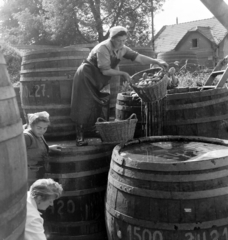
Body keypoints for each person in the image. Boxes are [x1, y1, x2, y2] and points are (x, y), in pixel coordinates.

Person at [70, 25, 168, 146]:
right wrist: (123, 73)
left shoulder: (123, 48)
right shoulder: (103, 48)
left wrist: (156, 61)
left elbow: (138, 58)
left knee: (103, 103)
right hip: (87, 76)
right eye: (119, 40)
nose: (122, 43)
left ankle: (101, 132)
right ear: (112, 39)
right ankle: (80, 137)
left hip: (101, 79)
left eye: (124, 40)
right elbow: (105, 70)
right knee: (84, 105)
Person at [23, 111, 61, 187]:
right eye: (39, 128)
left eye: (45, 128)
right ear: (32, 125)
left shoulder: (38, 134)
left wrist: (49, 148)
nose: (42, 131)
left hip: (39, 171)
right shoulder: (27, 136)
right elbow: (19, 153)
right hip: (31, 173)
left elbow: (35, 148)